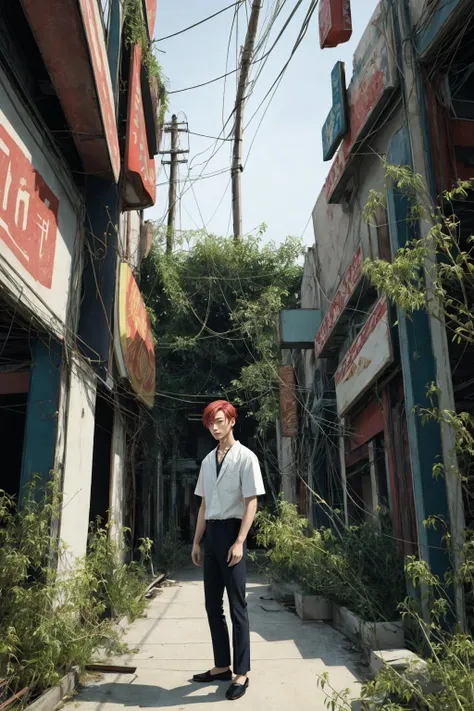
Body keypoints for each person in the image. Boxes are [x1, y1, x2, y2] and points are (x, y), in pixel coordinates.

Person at [191, 400, 265, 701]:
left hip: (233, 532)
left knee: (237, 606)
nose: (214, 426)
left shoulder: (247, 458)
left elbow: (251, 502)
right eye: (210, 422)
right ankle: (222, 665)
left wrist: (239, 541)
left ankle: (241, 672)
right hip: (211, 533)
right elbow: (204, 504)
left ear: (232, 421)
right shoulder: (208, 461)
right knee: (212, 605)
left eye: (219, 420)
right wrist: (196, 541)